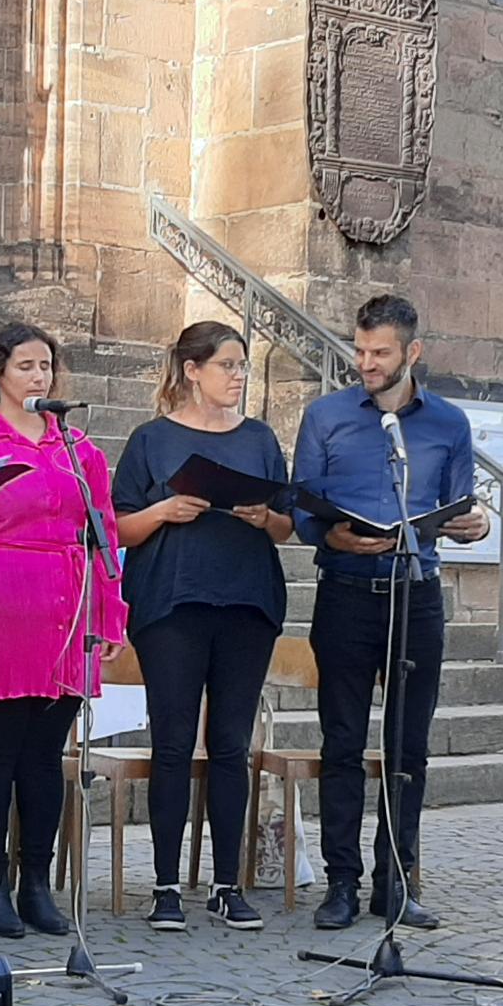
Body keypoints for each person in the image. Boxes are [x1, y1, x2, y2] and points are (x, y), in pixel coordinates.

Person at [291, 294, 490, 933]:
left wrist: (473, 524)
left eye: (379, 352)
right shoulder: (324, 417)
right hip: (346, 591)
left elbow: (462, 507)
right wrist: (334, 537)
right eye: (360, 349)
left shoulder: (449, 424)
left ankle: (397, 882)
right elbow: (301, 508)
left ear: (413, 353)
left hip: (417, 594)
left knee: (409, 746)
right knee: (343, 742)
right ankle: (341, 883)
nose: (365, 362)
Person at [0, 323, 127, 939]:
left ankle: (36, 882)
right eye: (25, 366)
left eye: (46, 366)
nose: (39, 377)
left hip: (63, 614)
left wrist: (111, 614)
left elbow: (105, 536)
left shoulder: (79, 451)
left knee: (46, 759)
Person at [112, 322, 290, 932]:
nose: (238, 376)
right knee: (172, 744)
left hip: (246, 605)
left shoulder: (260, 439)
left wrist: (265, 515)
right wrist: (163, 511)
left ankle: (224, 884)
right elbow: (116, 527)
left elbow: (287, 526)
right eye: (227, 365)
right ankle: (164, 886)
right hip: (171, 605)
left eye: (243, 366)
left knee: (231, 748)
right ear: (192, 370)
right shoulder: (152, 440)